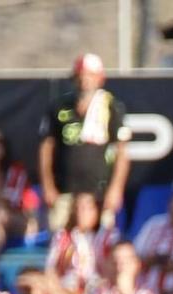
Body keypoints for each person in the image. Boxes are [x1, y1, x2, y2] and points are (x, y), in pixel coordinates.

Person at [39, 53, 131, 231]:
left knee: (99, 241)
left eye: (89, 76)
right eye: (80, 76)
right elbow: (46, 147)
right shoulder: (59, 107)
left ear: (99, 79)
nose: (84, 81)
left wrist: (116, 188)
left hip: (98, 191)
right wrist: (48, 186)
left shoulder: (110, 107)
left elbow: (122, 151)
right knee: (60, 239)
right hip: (64, 190)